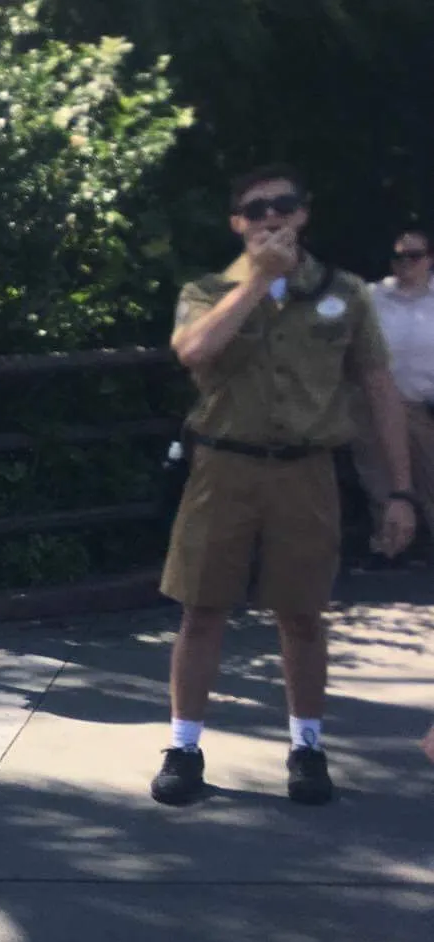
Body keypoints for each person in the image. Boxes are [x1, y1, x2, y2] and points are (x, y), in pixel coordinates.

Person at [154, 167, 417, 808]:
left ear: (303, 214)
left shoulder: (345, 294)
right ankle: (184, 747)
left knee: (302, 613)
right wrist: (258, 283)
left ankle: (307, 747)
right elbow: (194, 351)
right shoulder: (208, 289)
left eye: (284, 205)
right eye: (256, 208)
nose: (272, 216)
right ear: (238, 222)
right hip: (224, 467)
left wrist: (400, 492)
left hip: (306, 470)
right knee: (203, 609)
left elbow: (380, 390)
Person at [350, 226, 434, 548]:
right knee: (382, 483)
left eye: (414, 256)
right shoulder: (370, 298)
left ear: (429, 259)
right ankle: (389, 553)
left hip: (424, 406)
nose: (405, 263)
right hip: (376, 407)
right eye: (398, 256)